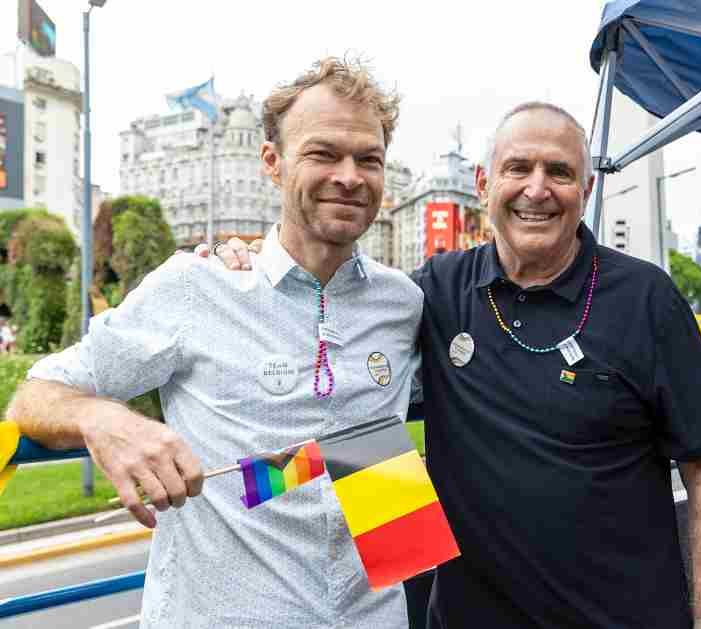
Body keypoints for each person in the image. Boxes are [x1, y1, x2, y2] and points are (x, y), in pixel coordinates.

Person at [211, 101, 701, 629]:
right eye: (518, 168)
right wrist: (250, 261)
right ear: (485, 184)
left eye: (559, 172)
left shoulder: (647, 298)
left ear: (585, 191)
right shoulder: (436, 290)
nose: (537, 189)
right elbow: (347, 395)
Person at [7, 58, 422, 628]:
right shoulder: (197, 286)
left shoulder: (402, 304)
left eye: (368, 159)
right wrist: (106, 422)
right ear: (272, 163)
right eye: (323, 154)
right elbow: (34, 393)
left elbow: (379, 468)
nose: (349, 176)